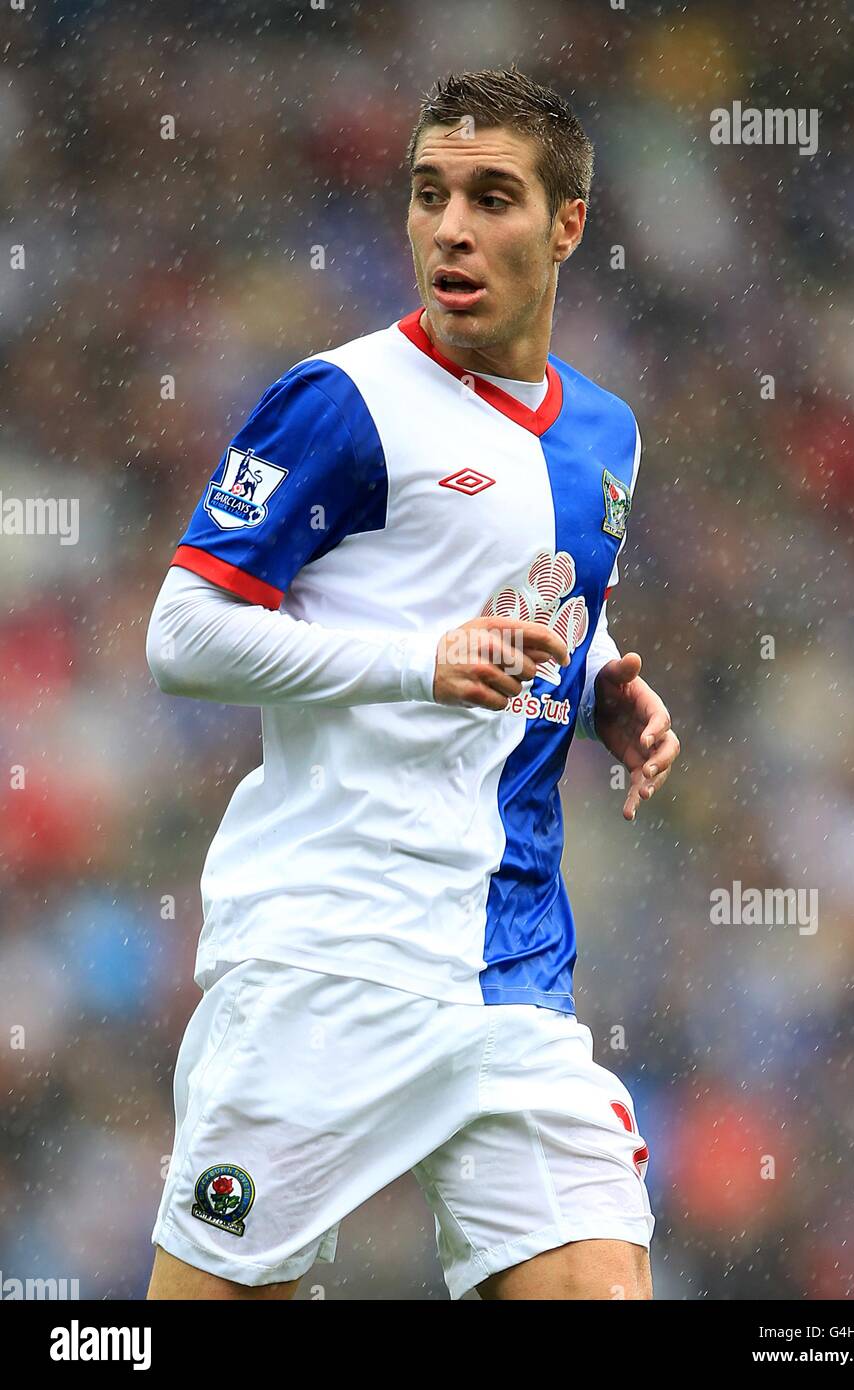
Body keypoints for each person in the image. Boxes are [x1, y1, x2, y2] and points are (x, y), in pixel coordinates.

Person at [145, 64, 680, 1301]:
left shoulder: (607, 432)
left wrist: (599, 680)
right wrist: (419, 667)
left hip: (514, 975)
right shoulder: (342, 402)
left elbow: (528, 584)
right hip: (333, 961)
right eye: (429, 193)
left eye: (492, 196)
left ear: (566, 224)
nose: (450, 226)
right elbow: (183, 635)